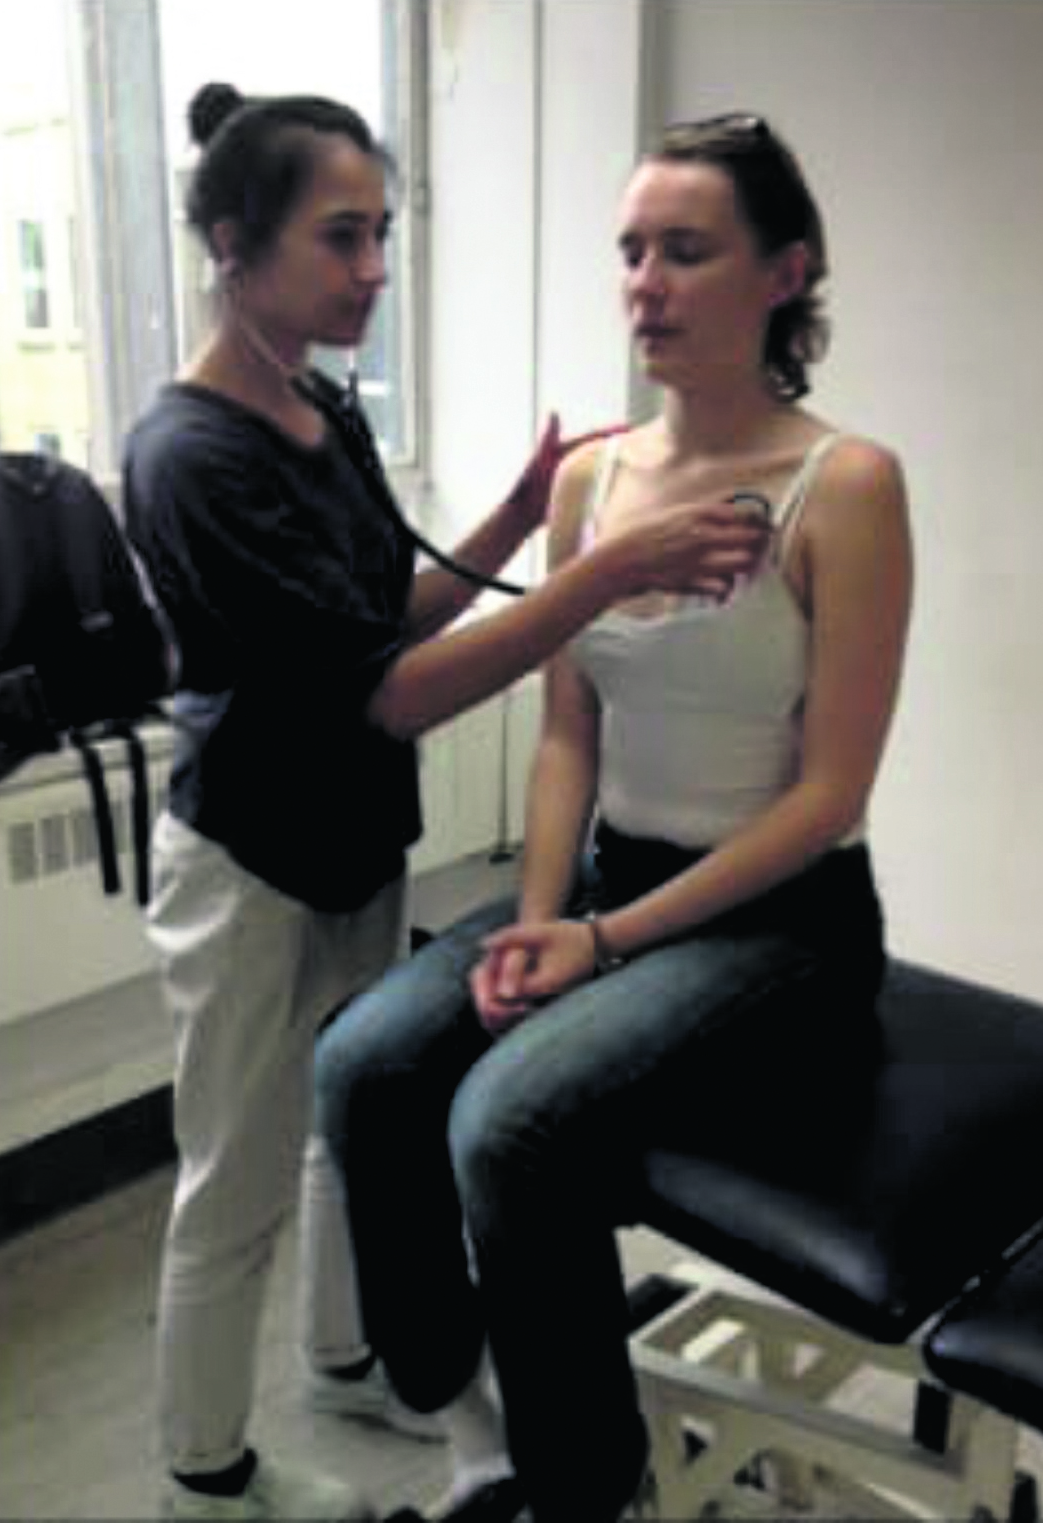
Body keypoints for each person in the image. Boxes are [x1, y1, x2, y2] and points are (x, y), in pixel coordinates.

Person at [122, 83, 763, 1523]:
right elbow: (386, 693)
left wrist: (521, 515)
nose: (373, 270)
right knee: (234, 1179)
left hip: (353, 838)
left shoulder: (318, 408)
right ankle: (204, 1478)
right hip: (246, 859)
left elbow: (387, 615)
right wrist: (601, 573)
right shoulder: (190, 456)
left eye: (383, 235)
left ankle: (346, 1361)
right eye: (340, 238)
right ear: (233, 243)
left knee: (343, 1128)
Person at [316, 109, 913, 1523]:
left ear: (785, 273)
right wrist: (538, 922)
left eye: (686, 251)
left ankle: (588, 1492)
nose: (644, 284)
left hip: (784, 927)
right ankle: (465, 1412)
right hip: (606, 886)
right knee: (363, 1063)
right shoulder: (592, 483)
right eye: (632, 251)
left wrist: (601, 941)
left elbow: (831, 795)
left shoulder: (846, 486)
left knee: (505, 1121)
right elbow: (566, 737)